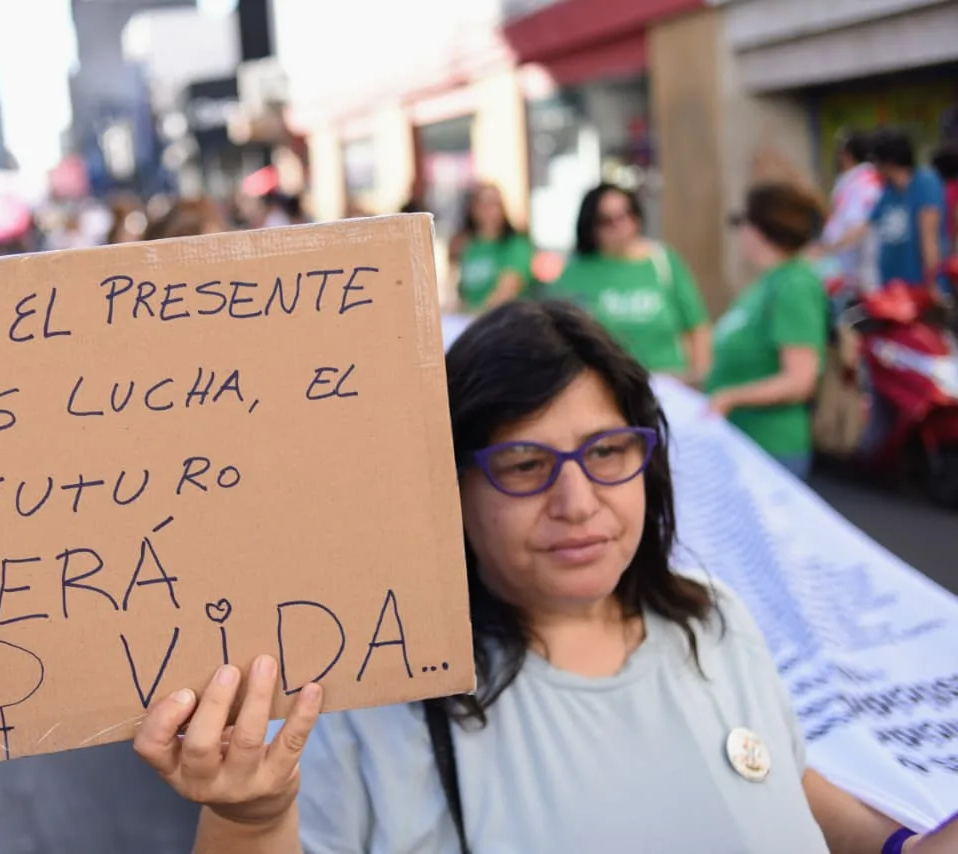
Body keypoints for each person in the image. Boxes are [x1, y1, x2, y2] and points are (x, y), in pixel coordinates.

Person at [133, 299, 957, 853]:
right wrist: (250, 814)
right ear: (446, 489)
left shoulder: (715, 622)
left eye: (607, 452)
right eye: (524, 464)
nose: (578, 501)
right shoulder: (363, 710)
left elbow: (779, 774)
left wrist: (906, 843)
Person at [704, 183, 827, 480]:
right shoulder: (767, 284)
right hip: (745, 444)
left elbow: (800, 380)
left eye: (741, 222)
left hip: (771, 450)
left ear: (758, 229)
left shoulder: (793, 286)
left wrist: (730, 397)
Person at [550, 182, 712, 384]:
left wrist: (699, 376)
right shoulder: (576, 272)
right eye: (607, 220)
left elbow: (697, 324)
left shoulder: (663, 262)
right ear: (591, 226)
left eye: (626, 214)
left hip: (668, 384)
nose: (620, 225)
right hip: (606, 386)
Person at [870, 129, 948, 298]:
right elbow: (867, 225)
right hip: (892, 286)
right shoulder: (888, 191)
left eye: (876, 162)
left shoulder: (924, 182)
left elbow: (929, 237)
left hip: (919, 285)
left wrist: (932, 283)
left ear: (889, 162)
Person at [818, 131, 883, 300]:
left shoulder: (863, 183)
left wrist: (826, 250)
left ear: (847, 154)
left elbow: (859, 227)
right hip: (846, 271)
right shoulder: (853, 180)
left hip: (855, 276)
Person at [451, 182, 534, 313]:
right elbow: (458, 291)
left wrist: (476, 317)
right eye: (482, 202)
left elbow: (506, 291)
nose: (488, 209)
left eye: (494, 203)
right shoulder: (467, 246)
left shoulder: (516, 245)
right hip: (470, 322)